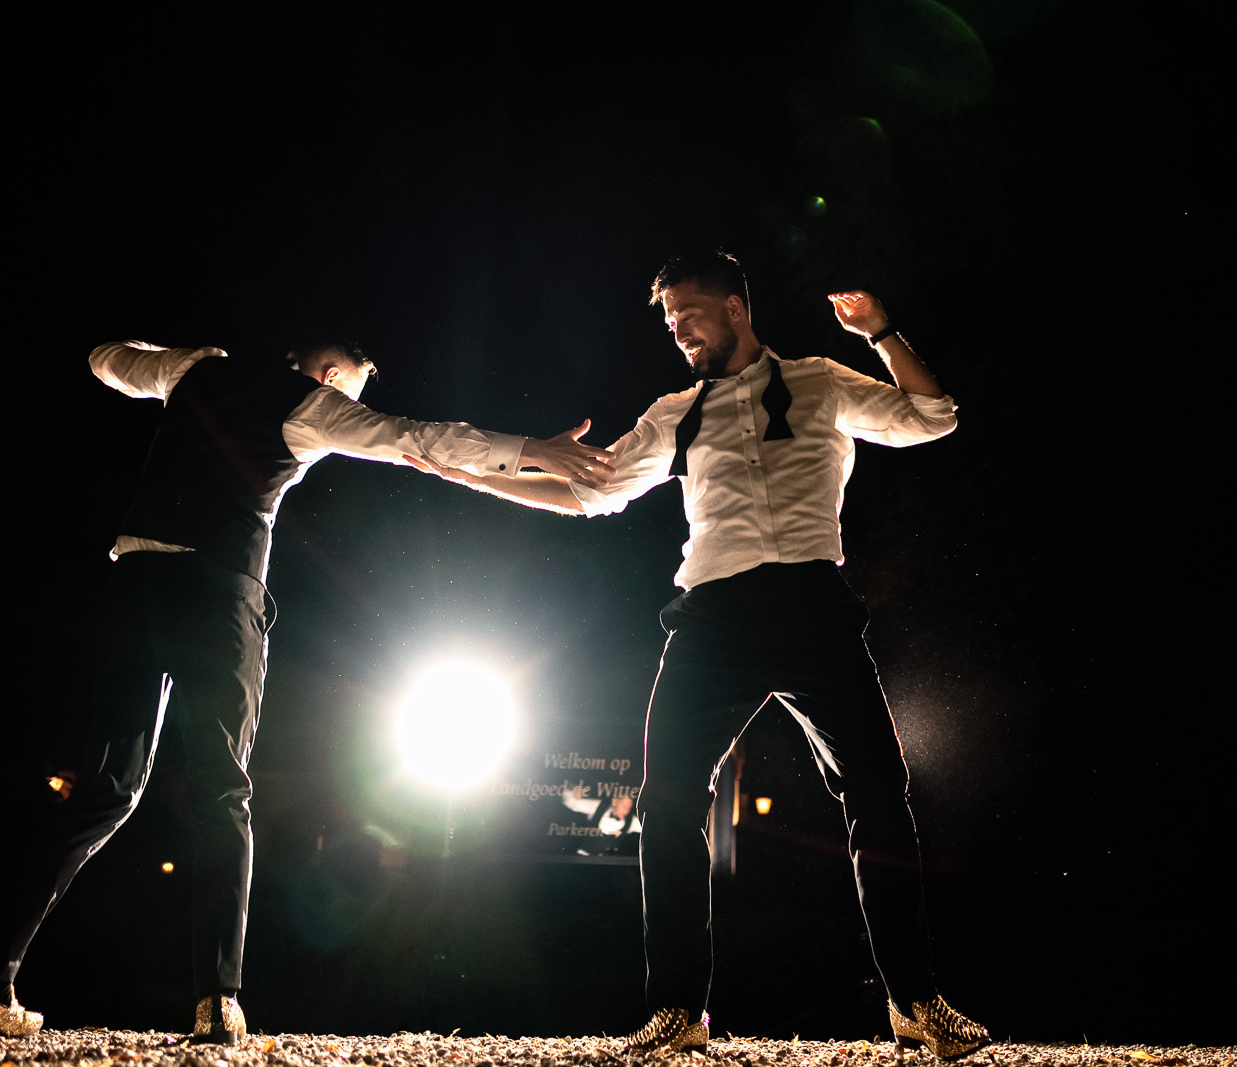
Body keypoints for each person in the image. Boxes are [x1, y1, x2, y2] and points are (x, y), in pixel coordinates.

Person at [0, 336, 615, 1043]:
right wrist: (533, 448)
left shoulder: (193, 370)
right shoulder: (312, 405)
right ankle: (217, 999)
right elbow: (417, 436)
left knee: (106, 789)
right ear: (329, 377)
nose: (347, 405)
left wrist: (176, 352)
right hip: (218, 596)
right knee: (222, 791)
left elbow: (104, 360)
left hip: (133, 585)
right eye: (349, 391)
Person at [408, 252, 990, 1059]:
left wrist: (882, 334)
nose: (678, 327)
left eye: (689, 311)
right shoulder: (673, 411)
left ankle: (917, 1002)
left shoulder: (821, 380)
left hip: (815, 607)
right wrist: (476, 478)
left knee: (880, 796)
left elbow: (935, 416)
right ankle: (678, 1009)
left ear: (736, 309)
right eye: (669, 317)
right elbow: (591, 492)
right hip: (714, 615)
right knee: (669, 798)